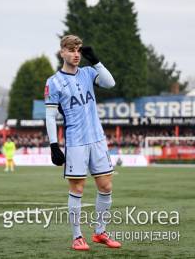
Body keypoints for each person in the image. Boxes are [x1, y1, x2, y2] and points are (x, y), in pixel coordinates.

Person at [44, 35, 121, 251]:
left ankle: (100, 232)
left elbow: (110, 82)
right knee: (78, 188)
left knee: (106, 186)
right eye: (71, 50)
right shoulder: (53, 82)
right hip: (75, 142)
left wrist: (95, 60)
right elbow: (50, 116)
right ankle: (77, 236)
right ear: (62, 52)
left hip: (97, 139)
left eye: (78, 50)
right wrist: (53, 145)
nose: (76, 54)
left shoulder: (88, 73)